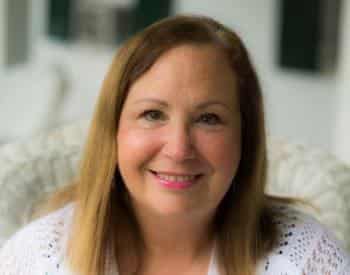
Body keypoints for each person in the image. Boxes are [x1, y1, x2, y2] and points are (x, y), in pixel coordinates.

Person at [0, 15, 349, 275]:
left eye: (208, 119)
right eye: (153, 114)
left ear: (246, 135)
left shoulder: (307, 261)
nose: (179, 149)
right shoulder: (35, 260)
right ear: (113, 132)